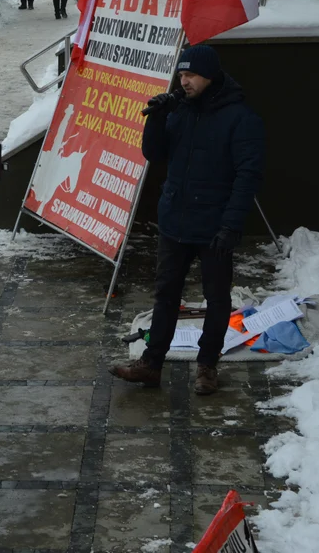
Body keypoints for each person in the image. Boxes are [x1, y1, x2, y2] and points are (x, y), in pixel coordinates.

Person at [109, 46, 265, 396]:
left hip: (214, 227)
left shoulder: (240, 118)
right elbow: (154, 153)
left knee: (216, 298)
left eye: (191, 75)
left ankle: (207, 366)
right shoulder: (179, 110)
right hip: (175, 221)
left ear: (210, 76)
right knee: (165, 296)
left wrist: (231, 226)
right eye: (181, 76)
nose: (184, 81)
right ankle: (151, 364)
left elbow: (248, 176)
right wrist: (158, 117)